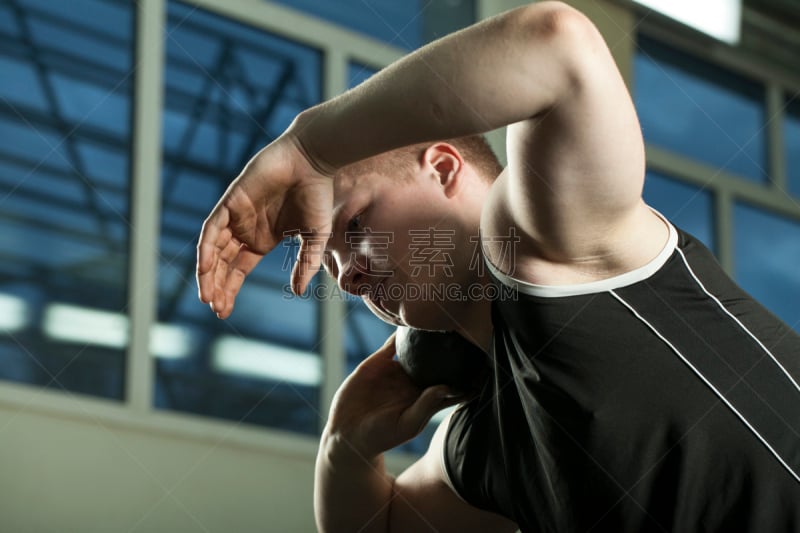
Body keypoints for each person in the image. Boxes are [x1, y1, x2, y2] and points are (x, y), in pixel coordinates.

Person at [196, 1, 800, 531]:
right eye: (331, 264)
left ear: (443, 167)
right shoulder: (487, 435)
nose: (348, 277)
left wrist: (310, 148)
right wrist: (344, 450)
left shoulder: (550, 249)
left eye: (351, 227)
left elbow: (559, 45)